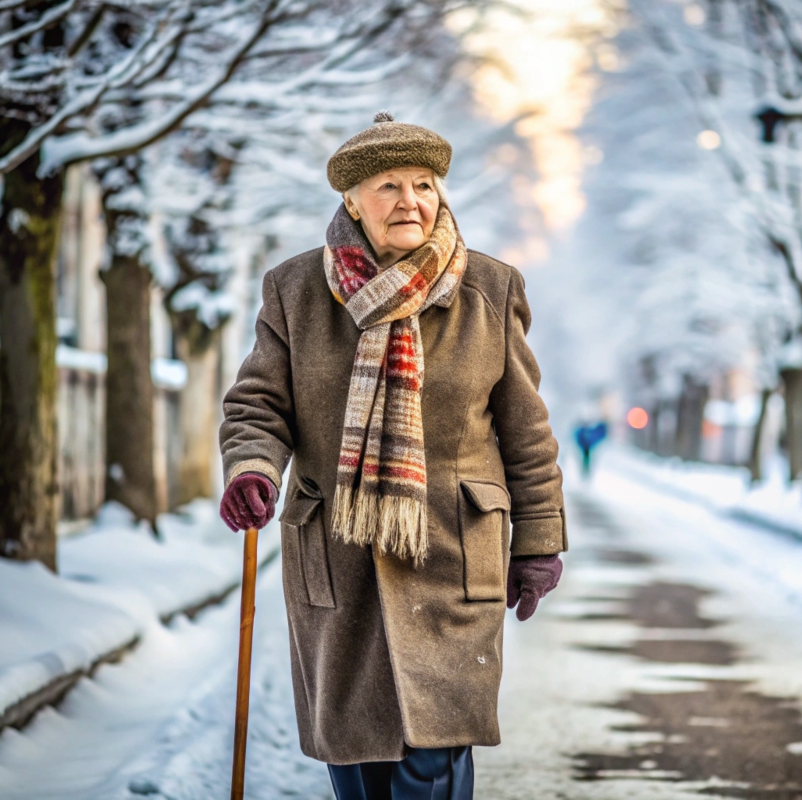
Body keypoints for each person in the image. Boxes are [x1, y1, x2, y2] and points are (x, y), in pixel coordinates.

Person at [217, 113, 566, 800]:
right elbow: (257, 405)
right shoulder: (296, 290)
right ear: (352, 201)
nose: (411, 201)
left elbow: (526, 429)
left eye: (425, 185)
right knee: (357, 758)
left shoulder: (489, 290)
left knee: (431, 759)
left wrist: (539, 541)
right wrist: (253, 467)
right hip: (337, 556)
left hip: (450, 548)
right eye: (389, 186)